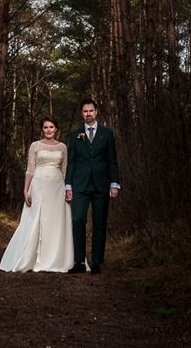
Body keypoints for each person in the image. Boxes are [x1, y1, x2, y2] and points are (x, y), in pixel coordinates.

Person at [0, 117, 72, 272]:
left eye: (51, 127)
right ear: (42, 129)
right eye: (45, 127)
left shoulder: (63, 147)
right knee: (36, 217)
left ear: (56, 129)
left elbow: (65, 170)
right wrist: (26, 189)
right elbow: (30, 169)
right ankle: (32, 257)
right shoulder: (35, 146)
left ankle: (55, 257)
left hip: (57, 185)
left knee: (56, 219)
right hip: (38, 184)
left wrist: (67, 189)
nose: (49, 130)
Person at [64, 97, 119, 274]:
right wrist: (68, 186)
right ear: (82, 114)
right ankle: (79, 261)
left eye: (91, 111)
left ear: (96, 112)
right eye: (85, 111)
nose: (88, 114)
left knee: (99, 223)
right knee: (78, 220)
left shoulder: (107, 134)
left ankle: (96, 261)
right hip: (80, 185)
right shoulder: (75, 135)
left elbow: (112, 161)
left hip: (101, 185)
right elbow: (71, 162)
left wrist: (114, 184)